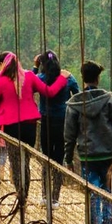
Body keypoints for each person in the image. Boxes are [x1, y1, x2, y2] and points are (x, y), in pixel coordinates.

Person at [0, 52, 63, 201]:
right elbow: (49, 92)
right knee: (25, 160)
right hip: (30, 126)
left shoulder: (0, 82)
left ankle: (20, 194)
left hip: (11, 126)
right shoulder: (29, 76)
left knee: (15, 161)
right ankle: (25, 193)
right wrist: (61, 79)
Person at [64, 61, 112, 224]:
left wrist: (68, 158)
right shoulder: (109, 100)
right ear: (98, 78)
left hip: (87, 156)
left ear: (82, 77)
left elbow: (69, 135)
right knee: (107, 191)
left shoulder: (75, 105)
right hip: (108, 155)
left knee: (92, 194)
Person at [34, 50, 79, 204]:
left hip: (45, 122)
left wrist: (35, 67)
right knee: (58, 159)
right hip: (63, 122)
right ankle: (55, 198)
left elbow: (27, 85)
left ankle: (44, 196)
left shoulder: (40, 78)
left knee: (46, 159)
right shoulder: (68, 78)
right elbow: (78, 96)